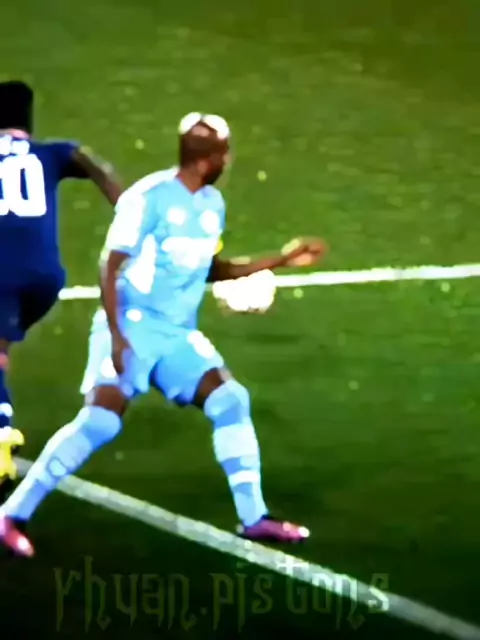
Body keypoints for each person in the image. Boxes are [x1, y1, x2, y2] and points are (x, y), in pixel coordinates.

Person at [0, 112, 325, 556]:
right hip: (131, 325)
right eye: (224, 153)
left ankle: (255, 519)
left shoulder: (211, 205)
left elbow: (212, 268)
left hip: (176, 334)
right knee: (100, 422)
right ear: (208, 158)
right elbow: (109, 267)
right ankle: (11, 515)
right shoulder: (147, 198)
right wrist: (117, 339)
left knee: (230, 401)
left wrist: (281, 260)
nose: (228, 160)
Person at [0, 81, 122, 503]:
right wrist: (131, 214)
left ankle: (1, 435)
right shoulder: (51, 152)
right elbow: (93, 164)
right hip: (46, 277)